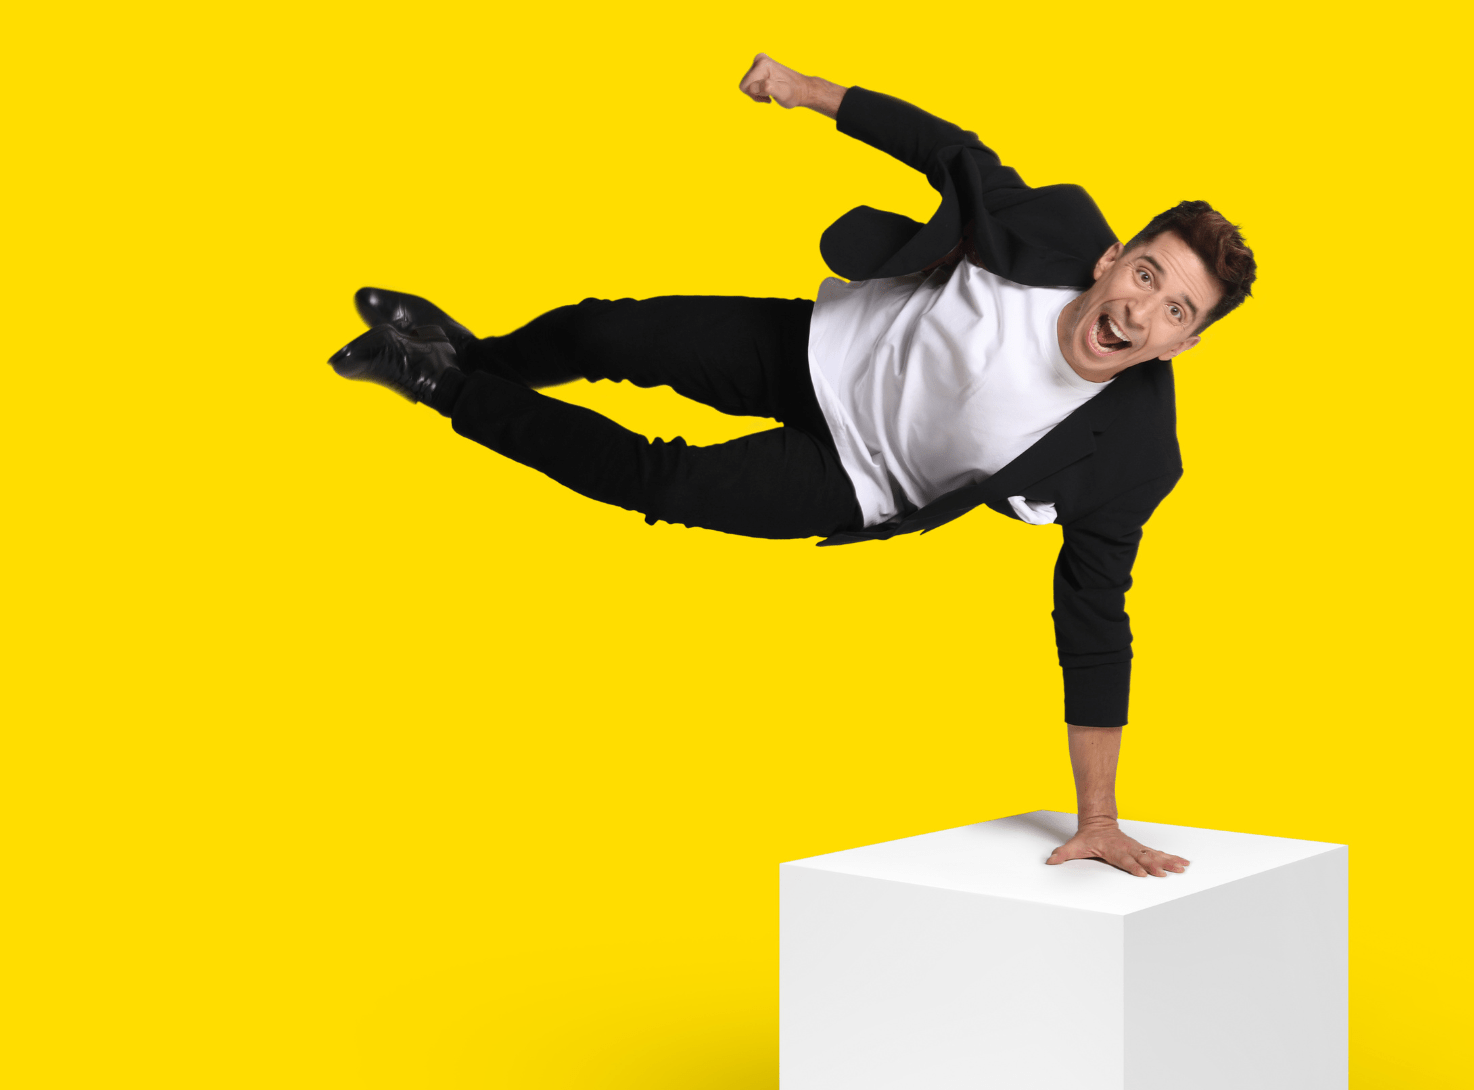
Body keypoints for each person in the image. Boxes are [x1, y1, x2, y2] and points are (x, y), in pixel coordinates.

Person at [328, 53, 1256, 878]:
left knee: (668, 484)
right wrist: (808, 92)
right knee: (615, 327)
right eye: (1146, 277)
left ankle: (439, 384)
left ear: (1184, 345)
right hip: (823, 349)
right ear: (1111, 260)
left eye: (1177, 312)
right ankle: (474, 352)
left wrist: (1098, 817)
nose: (1143, 313)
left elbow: (1093, 617)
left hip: (858, 476)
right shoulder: (1053, 229)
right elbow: (953, 151)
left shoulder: (1135, 455)